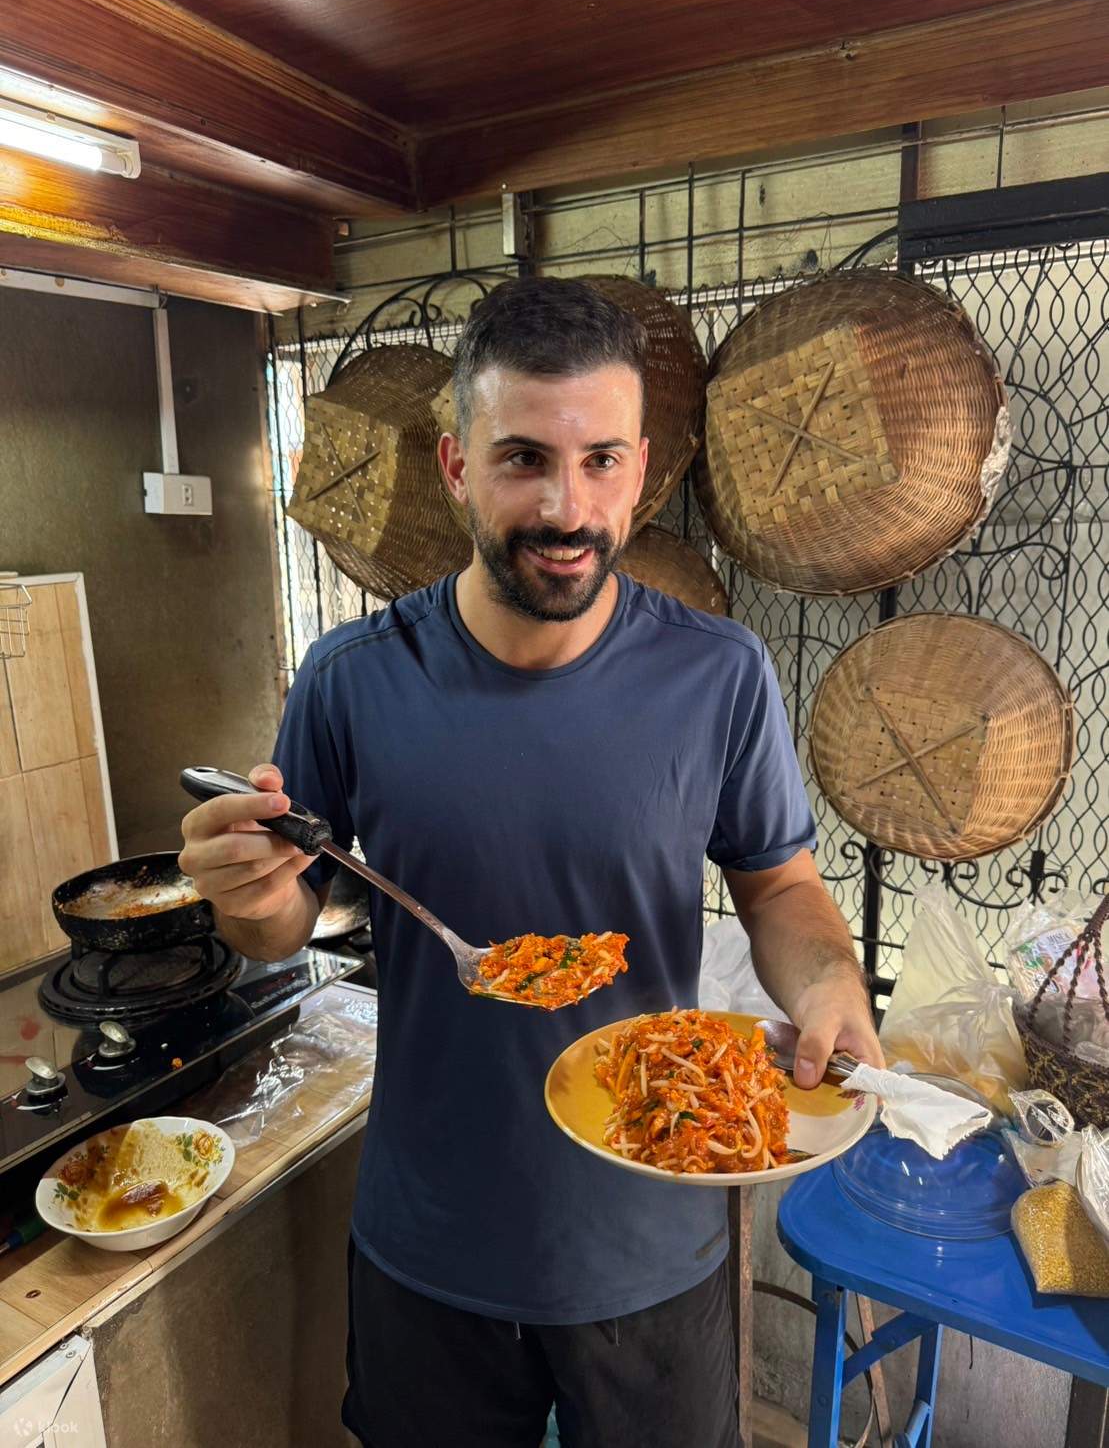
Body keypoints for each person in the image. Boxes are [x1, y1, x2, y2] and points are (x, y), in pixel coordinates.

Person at [179, 277, 883, 1448]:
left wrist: (825, 986)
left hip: (654, 1233)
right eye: (522, 460)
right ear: (456, 466)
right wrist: (245, 898)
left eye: (601, 460)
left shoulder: (718, 676)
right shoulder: (352, 681)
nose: (567, 506)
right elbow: (279, 919)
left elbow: (779, 884)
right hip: (429, 1244)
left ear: (642, 465)